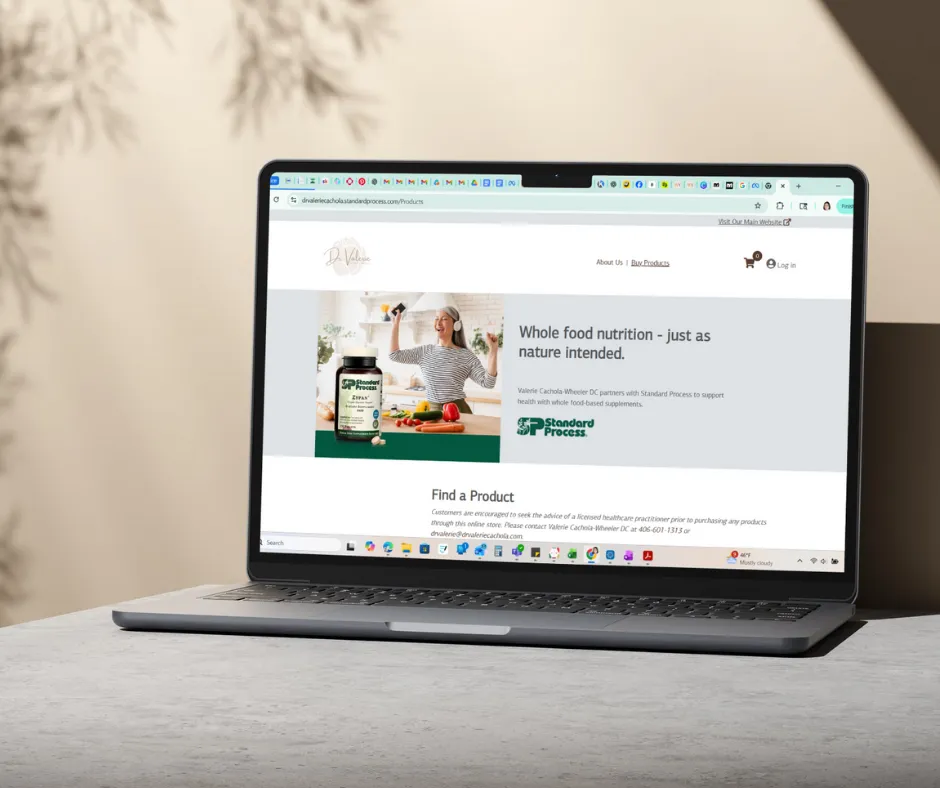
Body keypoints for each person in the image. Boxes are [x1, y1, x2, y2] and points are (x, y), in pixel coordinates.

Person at [389, 306, 497, 413]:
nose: (438, 322)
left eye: (444, 319)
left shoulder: (466, 356)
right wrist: (395, 325)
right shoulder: (425, 351)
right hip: (433, 413)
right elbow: (395, 355)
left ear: (456, 325)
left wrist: (493, 351)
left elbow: (488, 383)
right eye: (436, 318)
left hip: (459, 412)